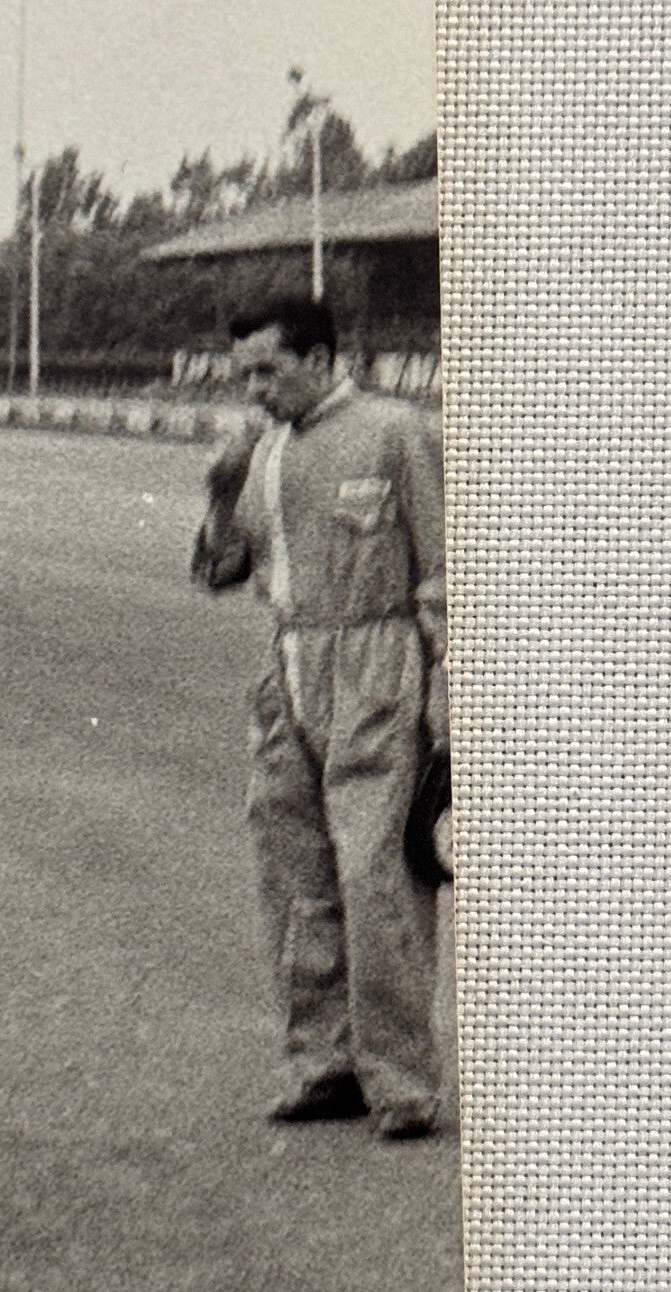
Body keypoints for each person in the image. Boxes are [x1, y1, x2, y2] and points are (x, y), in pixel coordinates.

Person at [191, 296, 449, 1140]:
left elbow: (443, 571)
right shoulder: (262, 454)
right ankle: (322, 1064)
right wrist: (222, 491)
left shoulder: (395, 431)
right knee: (293, 871)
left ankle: (401, 1083)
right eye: (245, 376)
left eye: (269, 371)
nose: (257, 390)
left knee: (376, 876)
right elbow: (220, 571)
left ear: (320, 357)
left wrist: (447, 702)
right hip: (290, 667)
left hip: (378, 666)